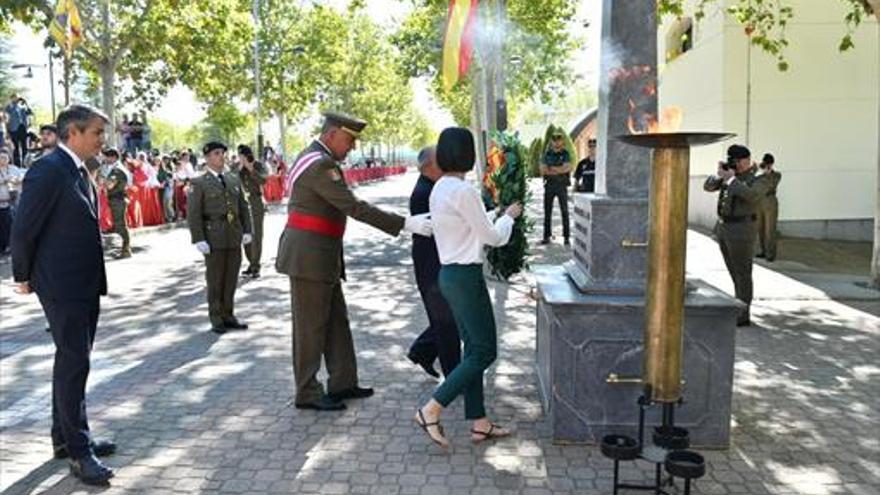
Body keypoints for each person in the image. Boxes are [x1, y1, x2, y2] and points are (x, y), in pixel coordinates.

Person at [275, 111, 432, 411]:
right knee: (310, 328)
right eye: (349, 139)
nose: (352, 147)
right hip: (309, 258)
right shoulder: (320, 164)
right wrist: (405, 224)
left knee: (336, 321)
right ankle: (306, 392)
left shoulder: (320, 159)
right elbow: (354, 207)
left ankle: (343, 382)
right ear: (331, 134)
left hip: (321, 254)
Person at [10, 105, 117, 485]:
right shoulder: (48, 169)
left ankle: (65, 437)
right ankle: (78, 451)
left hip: (82, 283)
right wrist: (22, 275)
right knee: (75, 363)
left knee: (73, 361)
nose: (102, 140)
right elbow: (24, 228)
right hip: (62, 285)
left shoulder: (78, 170)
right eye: (97, 133)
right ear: (73, 133)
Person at [413, 127, 523, 449]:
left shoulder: (441, 188)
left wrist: (496, 216)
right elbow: (491, 236)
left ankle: (480, 422)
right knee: (485, 350)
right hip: (465, 277)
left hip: (450, 274)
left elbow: (469, 226)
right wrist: (510, 217)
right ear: (468, 154)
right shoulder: (463, 190)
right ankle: (431, 409)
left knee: (472, 350)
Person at [187, 141, 253, 334]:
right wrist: (198, 238)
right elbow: (193, 213)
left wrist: (248, 230)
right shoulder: (199, 182)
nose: (221, 156)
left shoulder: (233, 179)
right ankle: (216, 318)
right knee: (216, 279)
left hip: (233, 234)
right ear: (207, 157)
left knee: (231, 278)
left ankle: (229, 315)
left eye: (222, 153)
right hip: (213, 235)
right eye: (216, 153)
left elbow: (243, 207)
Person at [406, 146, 461, 379]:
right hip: (432, 266)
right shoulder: (425, 193)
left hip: (438, 261)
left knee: (451, 317)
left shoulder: (434, 186)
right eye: (442, 162)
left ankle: (422, 351)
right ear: (428, 166)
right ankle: (454, 376)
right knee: (447, 322)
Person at [703, 144, 767, 327]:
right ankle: (739, 305)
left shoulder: (758, 177)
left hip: (743, 229)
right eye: (733, 161)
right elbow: (708, 187)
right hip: (725, 228)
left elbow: (753, 196)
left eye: (738, 161)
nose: (736, 165)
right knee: (734, 272)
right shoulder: (731, 176)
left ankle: (743, 313)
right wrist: (719, 175)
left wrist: (731, 180)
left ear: (747, 160)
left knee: (743, 273)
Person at [236, 144, 267, 278]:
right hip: (243, 203)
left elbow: (262, 180)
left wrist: (249, 167)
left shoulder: (258, 165)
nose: (240, 158)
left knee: (256, 234)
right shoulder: (239, 169)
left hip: (256, 202)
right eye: (239, 156)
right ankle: (250, 262)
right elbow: (234, 181)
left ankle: (256, 265)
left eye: (241, 156)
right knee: (246, 233)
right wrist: (239, 168)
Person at [540, 133, 572, 246]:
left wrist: (551, 168)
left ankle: (566, 237)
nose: (556, 142)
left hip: (562, 185)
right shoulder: (547, 154)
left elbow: (567, 168)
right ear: (551, 142)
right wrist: (559, 169)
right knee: (547, 211)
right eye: (554, 140)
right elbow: (543, 170)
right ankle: (546, 236)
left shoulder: (565, 154)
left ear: (562, 142)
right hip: (549, 185)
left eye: (559, 140)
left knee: (564, 211)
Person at [103, 148, 132, 258]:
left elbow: (110, 185)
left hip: (117, 200)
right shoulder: (117, 168)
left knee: (120, 225)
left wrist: (102, 180)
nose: (105, 159)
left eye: (107, 156)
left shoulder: (117, 170)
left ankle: (126, 249)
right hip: (117, 199)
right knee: (119, 224)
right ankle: (125, 248)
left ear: (113, 157)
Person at [755, 153, 781, 262]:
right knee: (760, 228)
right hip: (759, 202)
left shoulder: (776, 175)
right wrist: (757, 170)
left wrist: (768, 171)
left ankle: (770, 254)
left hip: (770, 201)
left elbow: (772, 183)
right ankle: (763, 251)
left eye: (768, 164)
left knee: (770, 229)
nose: (766, 166)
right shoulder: (760, 176)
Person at [0, 148, 25, 255]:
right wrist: (4, 180)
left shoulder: (14, 168)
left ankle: (12, 246)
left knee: (13, 224)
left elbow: (23, 176)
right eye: (1, 157)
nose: (3, 160)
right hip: (1, 203)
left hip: (13, 202)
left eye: (5, 157)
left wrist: (16, 179)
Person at [4, 95, 33, 166]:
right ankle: (17, 164)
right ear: (11, 99)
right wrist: (7, 131)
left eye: (17, 97)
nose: (16, 99)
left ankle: (25, 163)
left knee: (24, 147)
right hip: (13, 129)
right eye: (14, 97)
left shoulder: (22, 107)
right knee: (16, 148)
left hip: (22, 128)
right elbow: (6, 119)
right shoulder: (8, 107)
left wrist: (26, 103)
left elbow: (30, 113)